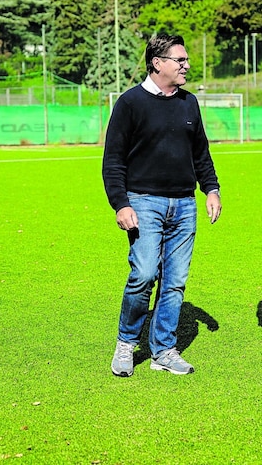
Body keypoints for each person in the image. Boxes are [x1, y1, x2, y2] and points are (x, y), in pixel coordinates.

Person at [102, 34, 222, 377]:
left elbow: (201, 152)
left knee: (175, 282)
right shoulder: (130, 103)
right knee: (143, 274)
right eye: (179, 60)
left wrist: (211, 188)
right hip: (143, 202)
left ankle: (164, 351)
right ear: (157, 63)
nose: (186, 65)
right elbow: (113, 160)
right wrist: (120, 204)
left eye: (185, 60)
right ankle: (126, 343)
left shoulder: (189, 103)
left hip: (185, 204)